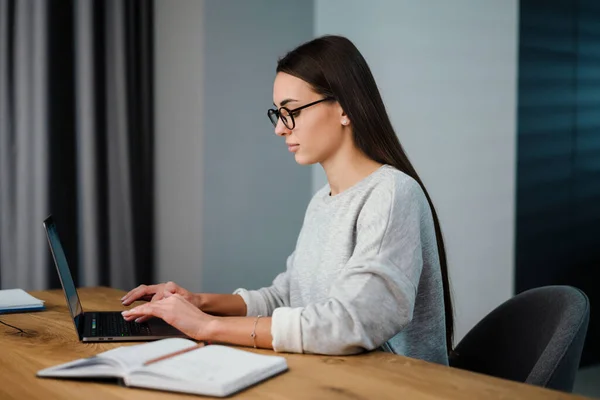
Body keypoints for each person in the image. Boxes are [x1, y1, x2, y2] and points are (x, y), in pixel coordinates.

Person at [122, 35, 453, 365]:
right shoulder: (322, 202)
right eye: (278, 114)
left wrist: (209, 326)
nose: (280, 128)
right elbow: (287, 297)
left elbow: (351, 323)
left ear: (344, 109)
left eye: (290, 111)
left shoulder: (393, 194)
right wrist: (199, 302)